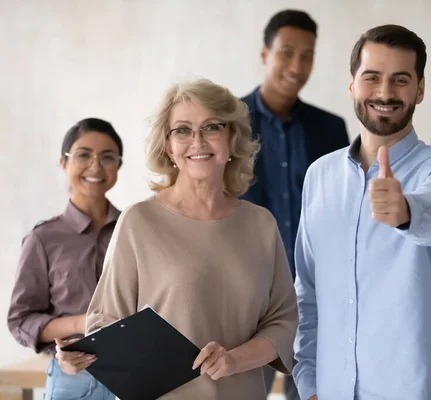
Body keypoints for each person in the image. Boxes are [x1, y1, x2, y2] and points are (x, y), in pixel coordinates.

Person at [55, 79, 298, 400]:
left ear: (231, 138)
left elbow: (283, 322)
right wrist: (78, 358)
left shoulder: (260, 225)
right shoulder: (138, 222)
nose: (197, 141)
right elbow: (106, 323)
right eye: (182, 130)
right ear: (168, 147)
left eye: (211, 127)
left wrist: (234, 360)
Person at [292, 25, 431, 400]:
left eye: (400, 80)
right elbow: (307, 292)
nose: (385, 93)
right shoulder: (319, 176)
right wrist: (309, 382)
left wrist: (406, 210)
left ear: (419, 89)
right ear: (352, 84)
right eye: (372, 77)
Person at [240, 9, 349, 399]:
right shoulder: (227, 123)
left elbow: (343, 211)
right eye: (287, 52)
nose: (297, 65)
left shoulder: (331, 128)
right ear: (265, 53)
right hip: (245, 295)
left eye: (308, 55)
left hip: (316, 295)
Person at [7, 118, 123, 400]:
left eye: (107, 157)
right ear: (64, 163)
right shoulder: (43, 239)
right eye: (84, 155)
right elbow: (20, 319)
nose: (95, 166)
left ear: (118, 166)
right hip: (72, 380)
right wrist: (82, 323)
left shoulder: (133, 230)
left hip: (132, 376)